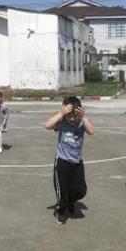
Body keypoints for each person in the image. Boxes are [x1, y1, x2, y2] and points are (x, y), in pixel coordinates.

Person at [44, 96, 94, 225]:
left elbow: (91, 131)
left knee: (81, 190)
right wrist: (61, 113)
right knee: (63, 190)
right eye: (69, 116)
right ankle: (60, 210)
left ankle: (70, 201)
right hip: (62, 160)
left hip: (77, 161)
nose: (72, 119)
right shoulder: (62, 121)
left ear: (79, 113)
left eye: (74, 116)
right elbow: (47, 125)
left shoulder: (82, 122)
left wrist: (83, 117)